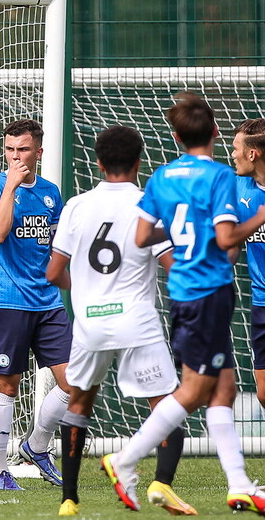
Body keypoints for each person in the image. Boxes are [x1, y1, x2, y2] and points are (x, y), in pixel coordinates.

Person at [102, 92, 265, 514]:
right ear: (214, 131)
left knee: (223, 390)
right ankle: (125, 460)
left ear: (175, 136)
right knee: (194, 391)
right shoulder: (220, 177)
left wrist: (182, 228)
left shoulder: (162, 175)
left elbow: (141, 237)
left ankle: (239, 484)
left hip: (186, 293)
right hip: (206, 293)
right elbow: (228, 238)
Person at [47, 125, 194, 516]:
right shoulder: (148, 203)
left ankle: (69, 499)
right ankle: (161, 482)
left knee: (78, 402)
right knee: (167, 403)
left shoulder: (76, 206)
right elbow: (170, 265)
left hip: (90, 323)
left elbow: (53, 272)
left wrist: (84, 291)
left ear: (98, 162)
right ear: (138, 162)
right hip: (136, 322)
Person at [0, 119, 71, 490]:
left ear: (39, 153)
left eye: (23, 150)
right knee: (7, 385)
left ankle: (36, 445)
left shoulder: (51, 193)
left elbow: (55, 250)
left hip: (48, 302)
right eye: (10, 149)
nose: (15, 156)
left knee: (74, 381)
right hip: (7, 302)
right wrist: (11, 187)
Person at [231, 118, 265, 411]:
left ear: (252, 154)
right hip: (261, 302)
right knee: (264, 394)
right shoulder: (237, 187)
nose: (233, 155)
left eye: (236, 148)